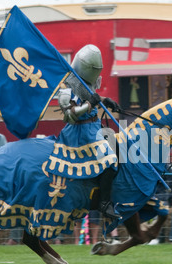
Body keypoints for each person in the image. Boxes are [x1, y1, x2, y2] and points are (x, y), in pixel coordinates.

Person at [48, 44, 121, 220]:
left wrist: (106, 100)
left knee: (119, 147)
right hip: (79, 133)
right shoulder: (67, 89)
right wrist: (91, 105)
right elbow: (68, 116)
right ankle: (104, 203)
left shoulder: (85, 84)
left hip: (94, 127)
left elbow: (91, 97)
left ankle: (112, 190)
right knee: (110, 161)